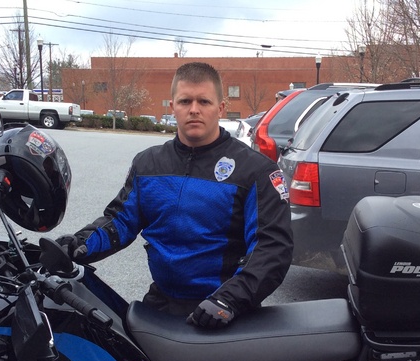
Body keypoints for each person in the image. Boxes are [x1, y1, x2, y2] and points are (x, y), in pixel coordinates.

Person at [58, 62, 293, 329]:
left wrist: (229, 300)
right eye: (185, 101)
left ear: (220, 108)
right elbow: (120, 222)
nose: (194, 109)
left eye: (204, 101)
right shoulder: (148, 164)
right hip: (160, 305)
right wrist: (77, 245)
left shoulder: (255, 171)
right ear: (172, 107)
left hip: (225, 311)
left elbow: (271, 248)